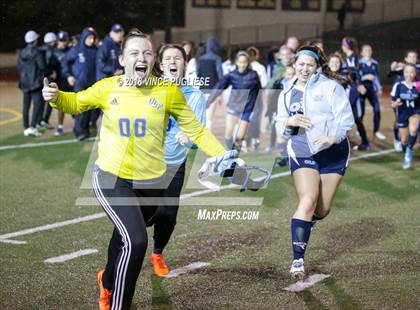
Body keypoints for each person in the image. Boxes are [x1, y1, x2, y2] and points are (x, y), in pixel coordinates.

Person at [42, 29, 233, 310]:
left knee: (124, 239)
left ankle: (107, 281)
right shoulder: (109, 87)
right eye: (133, 52)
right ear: (122, 59)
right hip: (111, 178)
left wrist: (223, 154)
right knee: (136, 240)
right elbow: (76, 102)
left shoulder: (167, 91)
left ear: (153, 58)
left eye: (146, 52)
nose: (141, 57)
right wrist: (56, 96)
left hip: (152, 183)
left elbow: (196, 130)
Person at [275, 45, 354, 278]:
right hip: (302, 151)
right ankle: (298, 260)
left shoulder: (331, 87)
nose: (305, 69)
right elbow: (280, 123)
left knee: (322, 209)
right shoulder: (286, 93)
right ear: (294, 65)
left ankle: (312, 220)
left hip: (334, 152)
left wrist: (333, 136)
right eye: (301, 64)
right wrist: (289, 122)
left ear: (317, 67)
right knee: (308, 201)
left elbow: (345, 119)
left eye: (310, 64)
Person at [149, 44, 207, 276]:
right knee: (139, 214)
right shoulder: (148, 90)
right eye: (168, 58)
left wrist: (189, 137)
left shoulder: (195, 95)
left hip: (174, 164)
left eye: (178, 58)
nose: (173, 62)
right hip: (144, 161)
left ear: (185, 63)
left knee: (168, 215)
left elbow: (198, 132)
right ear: (161, 65)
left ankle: (157, 253)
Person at [207, 50, 261, 149]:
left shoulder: (253, 75)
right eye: (240, 62)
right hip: (234, 106)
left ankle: (235, 153)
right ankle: (229, 151)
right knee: (228, 135)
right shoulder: (232, 75)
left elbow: (259, 91)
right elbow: (219, 87)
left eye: (244, 62)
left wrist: (257, 105)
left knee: (239, 137)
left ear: (247, 62)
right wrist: (209, 101)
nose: (242, 65)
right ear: (236, 62)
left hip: (247, 109)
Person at [63, 27, 98, 140]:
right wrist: (68, 75)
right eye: (89, 38)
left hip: (93, 84)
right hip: (80, 83)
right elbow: (65, 62)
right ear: (84, 38)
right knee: (81, 108)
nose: (91, 40)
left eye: (93, 38)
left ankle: (85, 129)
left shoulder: (96, 50)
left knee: (90, 109)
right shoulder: (77, 49)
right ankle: (79, 131)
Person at [341, 37, 371, 150]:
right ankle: (362, 141)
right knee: (353, 117)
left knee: (354, 117)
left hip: (352, 89)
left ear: (345, 46)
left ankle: (364, 142)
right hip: (351, 88)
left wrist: (358, 84)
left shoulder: (351, 56)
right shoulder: (351, 56)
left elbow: (354, 73)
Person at [390, 64, 419, 169]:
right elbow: (392, 102)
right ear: (403, 73)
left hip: (416, 112)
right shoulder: (398, 85)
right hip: (402, 114)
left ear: (415, 73)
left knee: (414, 128)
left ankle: (409, 152)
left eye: (412, 72)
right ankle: (407, 148)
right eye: (407, 72)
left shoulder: (419, 85)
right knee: (404, 141)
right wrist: (395, 104)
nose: (409, 74)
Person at [17, 30, 46, 137]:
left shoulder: (22, 52)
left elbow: (19, 67)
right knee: (37, 105)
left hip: (25, 82)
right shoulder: (37, 51)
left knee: (26, 106)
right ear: (34, 40)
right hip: (35, 83)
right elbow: (42, 66)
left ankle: (26, 128)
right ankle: (33, 127)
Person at [359, 44, 386, 140]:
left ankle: (376, 131)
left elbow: (377, 78)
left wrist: (379, 88)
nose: (368, 51)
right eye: (366, 50)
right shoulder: (358, 63)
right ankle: (360, 129)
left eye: (370, 50)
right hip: (361, 89)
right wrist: (365, 77)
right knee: (360, 112)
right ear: (362, 53)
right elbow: (356, 78)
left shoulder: (375, 63)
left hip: (371, 89)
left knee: (377, 110)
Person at [196, 37, 223, 130]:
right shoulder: (217, 58)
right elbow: (220, 76)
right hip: (213, 91)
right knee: (210, 118)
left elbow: (198, 75)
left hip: (202, 90)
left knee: (202, 117)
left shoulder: (200, 59)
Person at [53, 31, 73, 136]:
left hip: (71, 80)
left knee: (74, 103)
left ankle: (79, 125)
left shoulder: (71, 51)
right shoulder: (54, 52)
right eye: (61, 40)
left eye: (64, 40)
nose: (63, 43)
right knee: (61, 105)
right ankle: (60, 126)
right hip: (60, 81)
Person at [40, 32, 59, 130]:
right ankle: (45, 120)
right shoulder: (50, 51)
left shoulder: (41, 49)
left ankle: (40, 121)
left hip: (41, 78)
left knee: (41, 101)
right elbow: (49, 64)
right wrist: (51, 72)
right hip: (49, 77)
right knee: (50, 99)